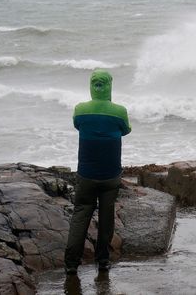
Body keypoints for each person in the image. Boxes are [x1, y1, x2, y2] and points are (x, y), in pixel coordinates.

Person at [64, 69, 131, 275]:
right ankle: (102, 260)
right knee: (106, 216)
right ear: (110, 85)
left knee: (80, 215)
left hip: (86, 174)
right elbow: (125, 130)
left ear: (91, 86)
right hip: (110, 175)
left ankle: (71, 264)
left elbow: (77, 125)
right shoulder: (119, 111)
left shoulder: (81, 110)